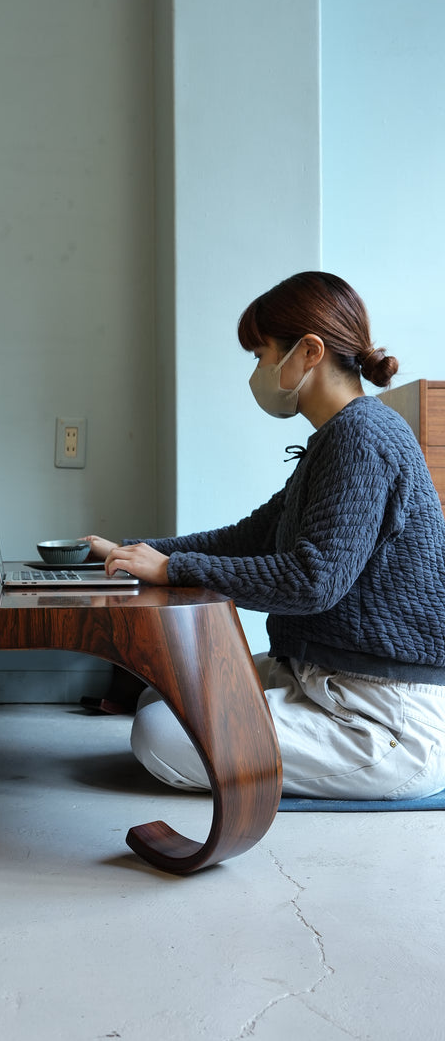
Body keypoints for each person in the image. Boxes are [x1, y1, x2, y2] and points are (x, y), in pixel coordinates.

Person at [86, 271, 445, 799]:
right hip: (320, 677)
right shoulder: (336, 439)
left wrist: (170, 569)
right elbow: (248, 537)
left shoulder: (364, 438)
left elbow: (311, 580)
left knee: (160, 734)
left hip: (382, 716)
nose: (257, 370)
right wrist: (139, 553)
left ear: (309, 352)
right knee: (156, 699)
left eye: (260, 354)